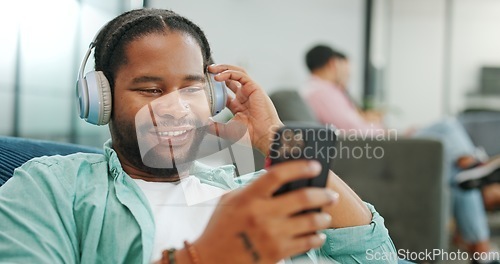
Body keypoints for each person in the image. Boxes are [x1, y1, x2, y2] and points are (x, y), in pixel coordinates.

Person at [0, 9, 397, 264]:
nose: (176, 107)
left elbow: (376, 255)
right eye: (150, 90)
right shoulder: (52, 187)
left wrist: (275, 138)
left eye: (192, 88)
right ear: (100, 101)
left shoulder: (253, 190)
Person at [301, 44, 500, 264]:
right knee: (447, 126)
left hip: (383, 144)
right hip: (382, 147)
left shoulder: (324, 92)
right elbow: (354, 131)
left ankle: (473, 179)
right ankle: (474, 165)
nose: (349, 73)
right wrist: (388, 131)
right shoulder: (322, 91)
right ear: (333, 63)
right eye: (347, 68)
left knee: (458, 175)